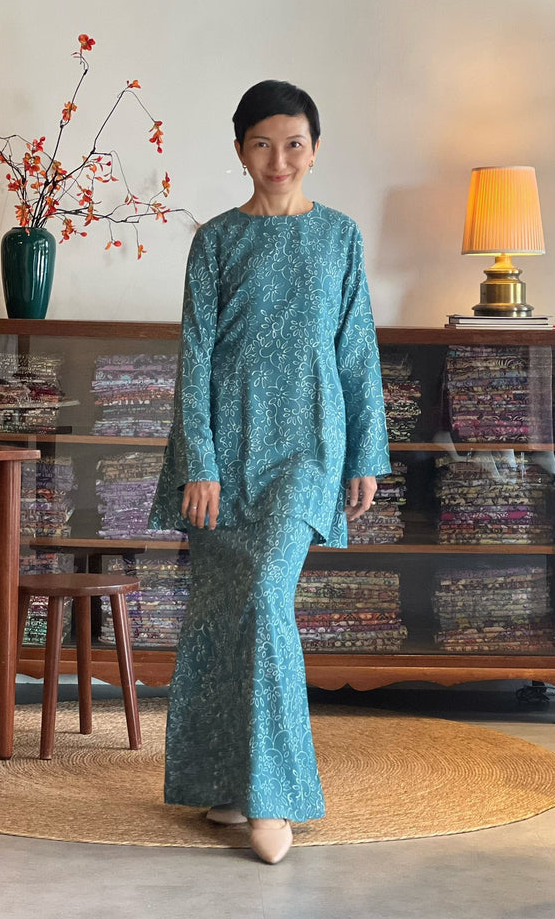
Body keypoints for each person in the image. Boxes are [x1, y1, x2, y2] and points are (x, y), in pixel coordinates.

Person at [148, 79, 390, 864]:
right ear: (240, 151)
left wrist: (365, 454)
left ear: (314, 151)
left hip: (307, 452)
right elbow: (194, 359)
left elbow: (356, 351)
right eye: (262, 144)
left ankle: (273, 796)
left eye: (293, 144)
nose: (278, 159)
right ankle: (226, 783)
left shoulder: (340, 237)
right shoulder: (216, 240)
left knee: (262, 597)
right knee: (221, 618)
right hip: (223, 459)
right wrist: (200, 462)